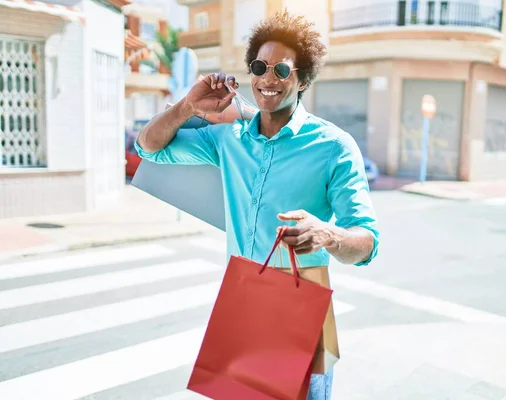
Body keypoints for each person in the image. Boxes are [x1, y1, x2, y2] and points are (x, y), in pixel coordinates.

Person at [135, 10, 379, 400]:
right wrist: (187, 107)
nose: (268, 78)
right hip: (244, 303)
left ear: (302, 79)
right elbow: (148, 147)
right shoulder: (229, 139)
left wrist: (328, 234)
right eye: (259, 66)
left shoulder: (334, 146)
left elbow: (366, 242)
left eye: (282, 70)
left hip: (302, 311)